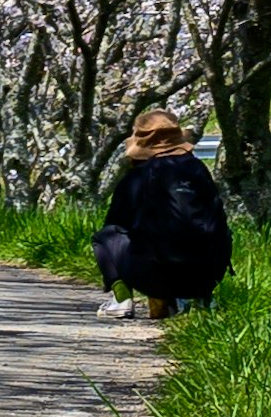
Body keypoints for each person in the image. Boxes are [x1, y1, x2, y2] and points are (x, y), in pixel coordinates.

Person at [95, 104, 233, 323]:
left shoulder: (137, 176)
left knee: (105, 237)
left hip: (155, 275)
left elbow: (117, 223)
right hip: (207, 275)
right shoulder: (198, 169)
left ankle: (121, 300)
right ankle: (202, 299)